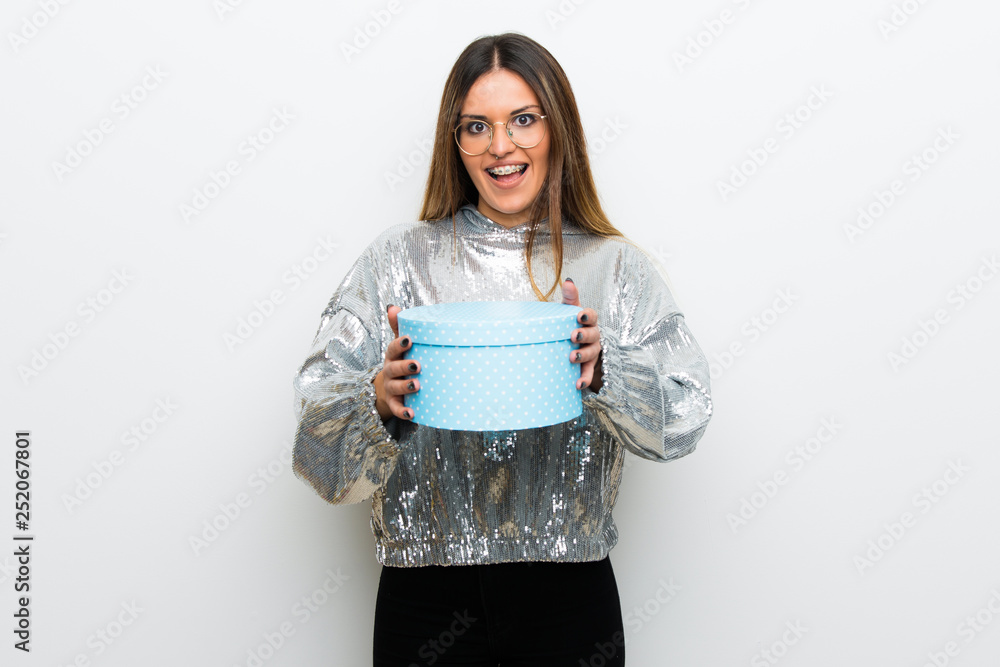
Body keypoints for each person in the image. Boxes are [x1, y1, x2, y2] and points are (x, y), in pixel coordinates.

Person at [291, 32, 713, 667]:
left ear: (557, 128)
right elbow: (317, 455)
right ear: (454, 142)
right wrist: (377, 401)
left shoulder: (614, 266)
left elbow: (686, 416)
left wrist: (605, 375)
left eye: (523, 120)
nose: (500, 146)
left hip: (569, 602)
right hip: (423, 601)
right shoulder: (397, 260)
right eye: (476, 127)